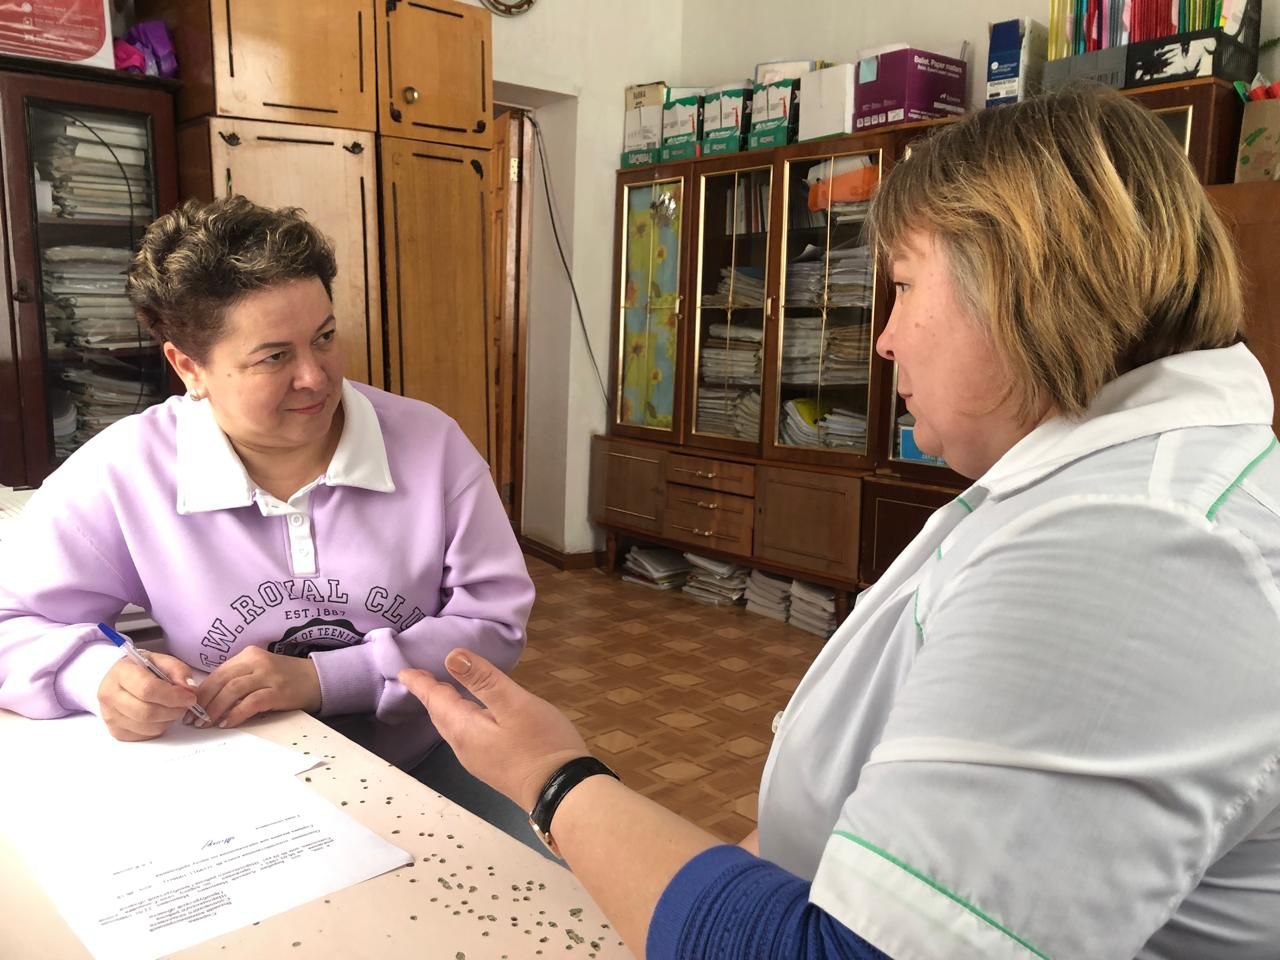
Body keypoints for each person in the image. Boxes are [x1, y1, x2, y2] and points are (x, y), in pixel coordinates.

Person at [400, 87, 1280, 959]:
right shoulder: (1089, 492)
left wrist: (553, 778)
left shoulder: (1131, 549)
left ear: (1018, 283)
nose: (885, 339)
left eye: (902, 286)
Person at [0, 197, 538, 843]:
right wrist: (91, 674)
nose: (316, 377)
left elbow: (495, 625)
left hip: (426, 757)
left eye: (325, 337)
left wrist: (323, 679)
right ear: (189, 367)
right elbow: (11, 622)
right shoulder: (124, 472)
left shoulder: (431, 444)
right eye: (274, 357)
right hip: (235, 778)